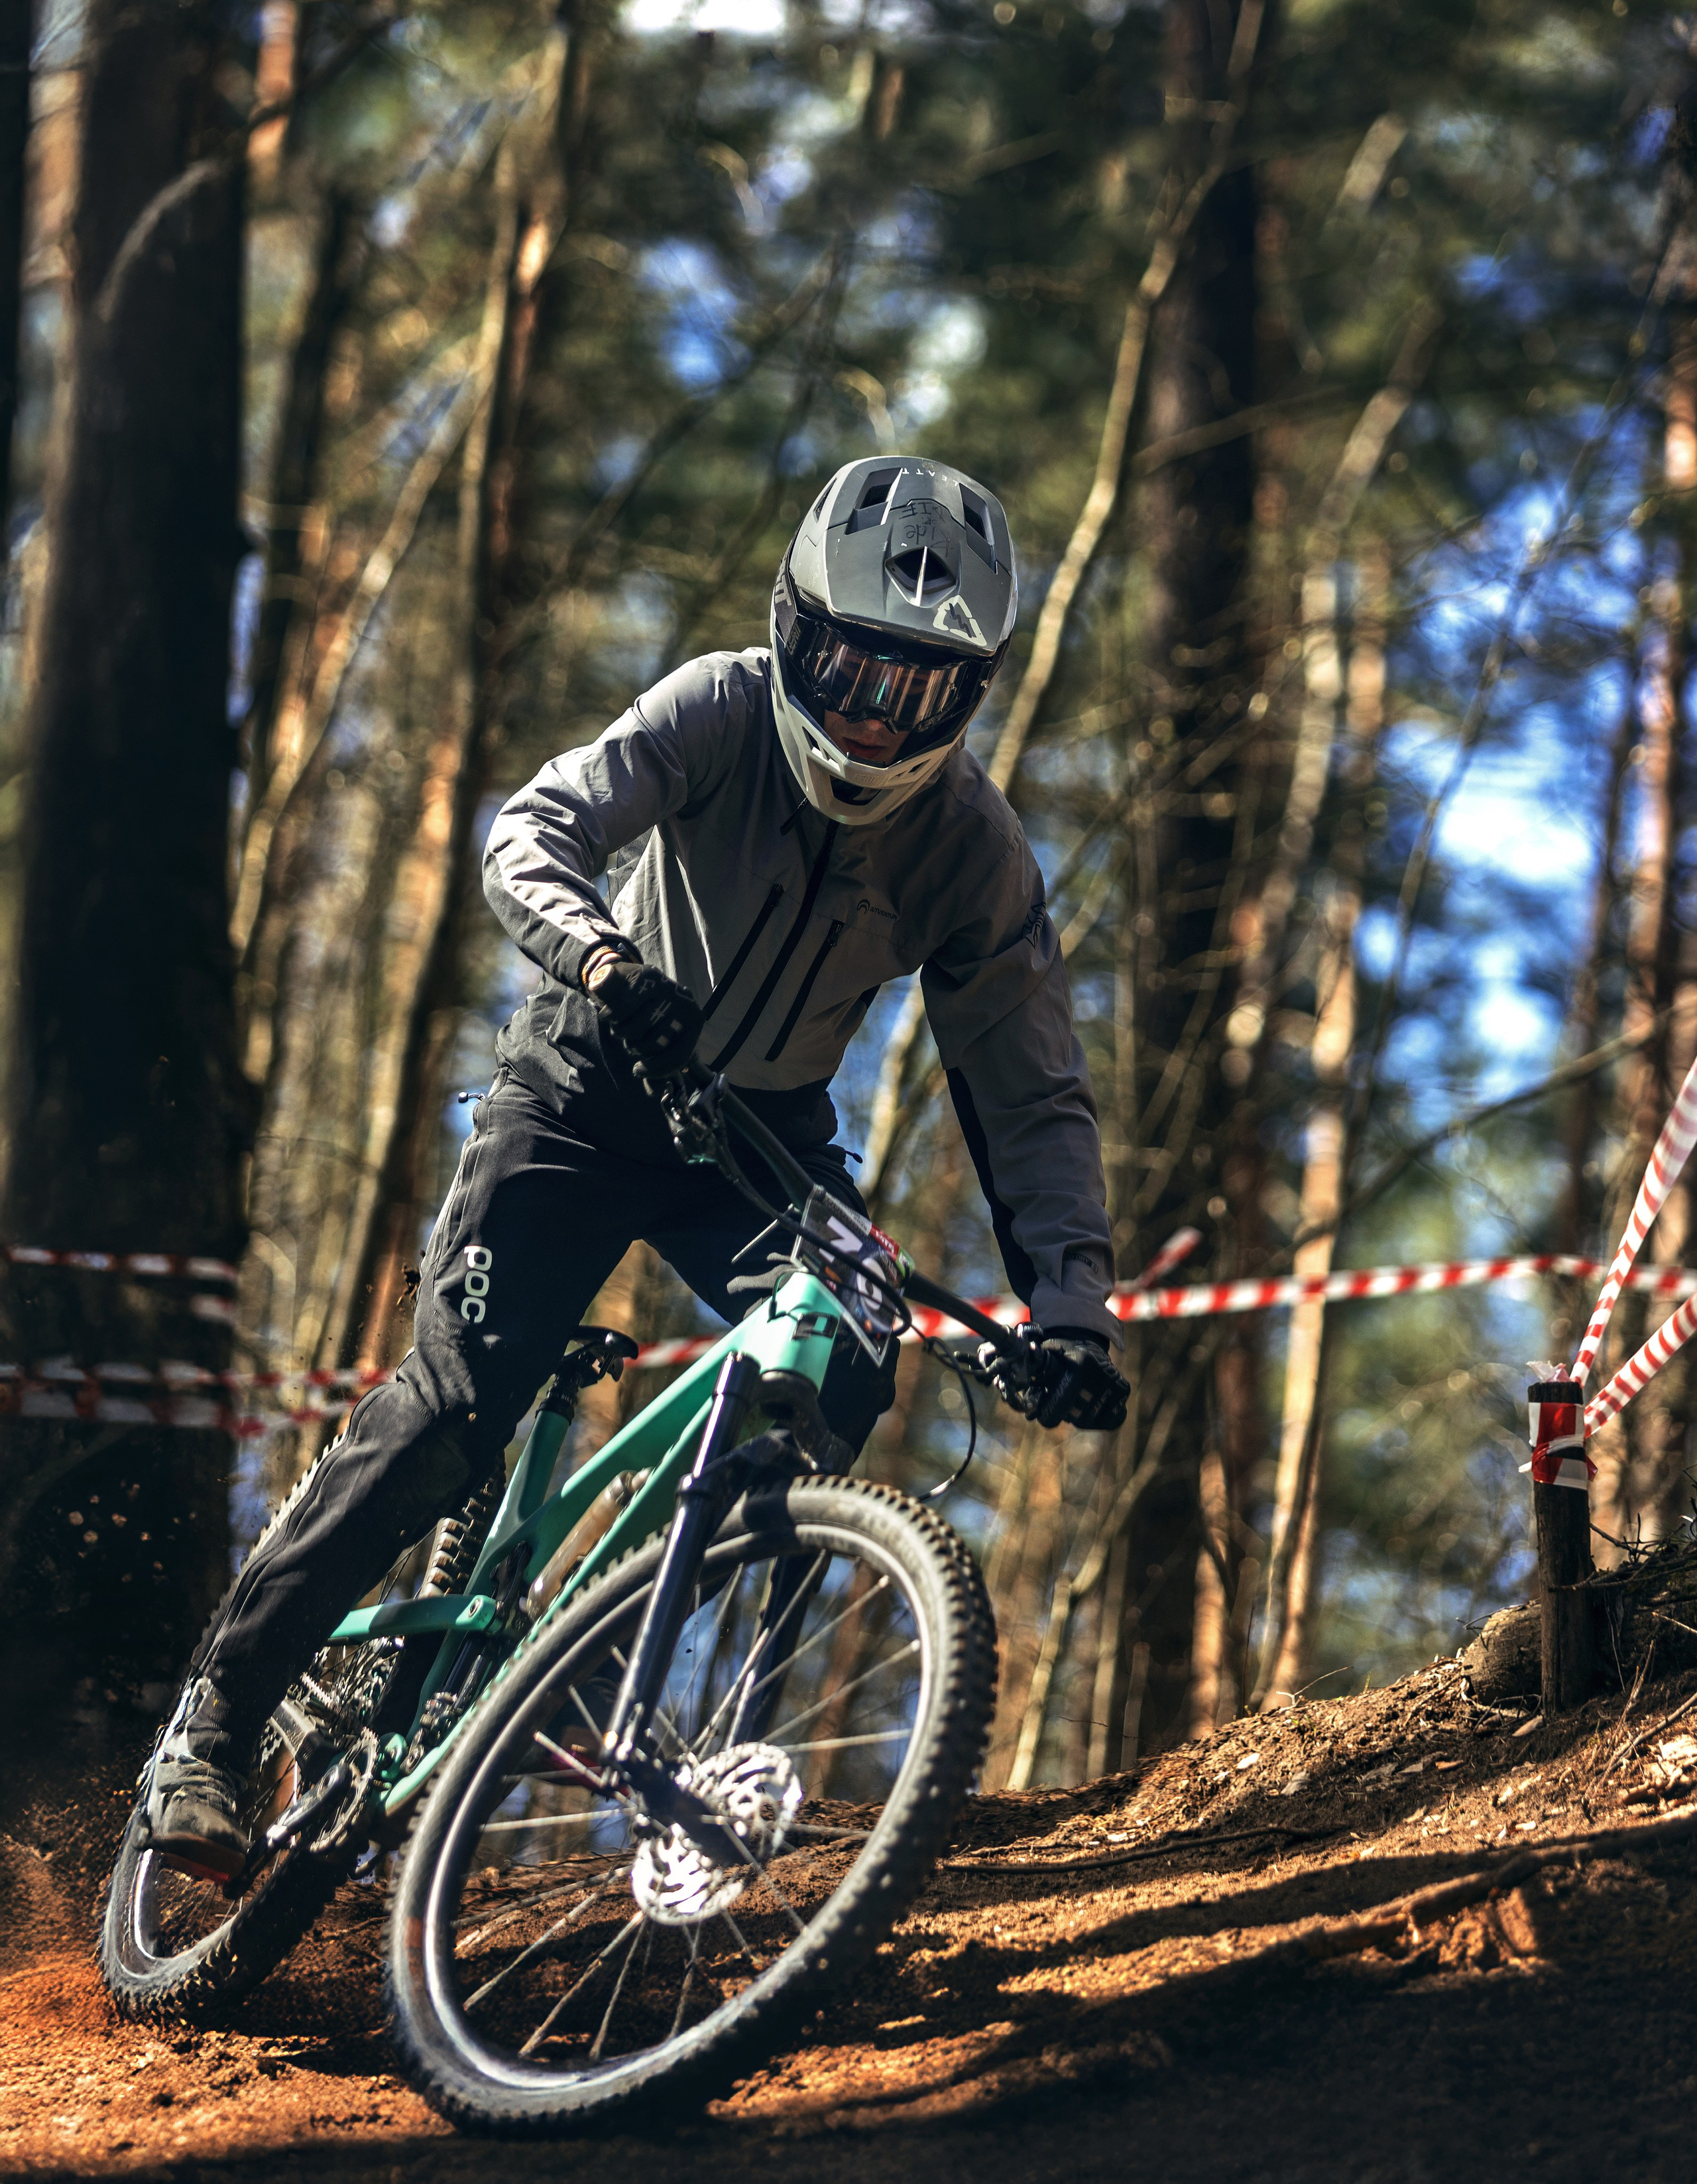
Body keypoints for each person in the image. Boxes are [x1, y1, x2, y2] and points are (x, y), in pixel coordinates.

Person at [145, 454, 1130, 1880]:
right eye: (849, 668)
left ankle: (616, 1683)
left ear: (967, 694)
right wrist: (605, 961)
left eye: (914, 687)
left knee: (852, 1352)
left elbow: (1030, 1090)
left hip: (760, 1145)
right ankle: (218, 1721)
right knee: (453, 1409)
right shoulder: (718, 705)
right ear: (792, 628)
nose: (870, 715)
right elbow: (531, 829)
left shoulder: (973, 851)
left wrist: (1073, 1310)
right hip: (584, 1083)